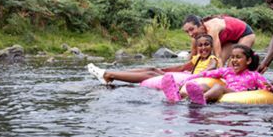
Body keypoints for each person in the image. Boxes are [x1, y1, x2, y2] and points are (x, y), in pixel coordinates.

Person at [160, 44, 273, 105]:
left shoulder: (254, 75)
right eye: (232, 57)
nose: (234, 60)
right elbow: (207, 73)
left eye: (238, 57)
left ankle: (201, 100)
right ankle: (178, 96)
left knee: (219, 87)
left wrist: (270, 88)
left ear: (248, 61)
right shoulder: (227, 71)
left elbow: (266, 86)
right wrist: (188, 79)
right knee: (203, 86)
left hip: (238, 94)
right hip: (224, 93)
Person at [86, 34, 219, 85]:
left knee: (151, 75)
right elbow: (181, 68)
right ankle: (112, 73)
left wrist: (202, 73)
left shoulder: (212, 58)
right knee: (152, 69)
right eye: (200, 45)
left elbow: (212, 66)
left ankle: (109, 75)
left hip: (194, 80)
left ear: (211, 46)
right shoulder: (197, 59)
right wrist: (162, 70)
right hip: (186, 76)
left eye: (206, 44)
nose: (203, 48)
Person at [182, 14, 256, 66]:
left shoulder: (212, 29)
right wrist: (184, 71)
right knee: (222, 64)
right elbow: (192, 56)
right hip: (229, 40)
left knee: (233, 64)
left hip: (245, 34)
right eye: (187, 31)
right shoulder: (195, 37)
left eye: (191, 29)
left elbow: (217, 56)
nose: (190, 34)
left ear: (201, 25)